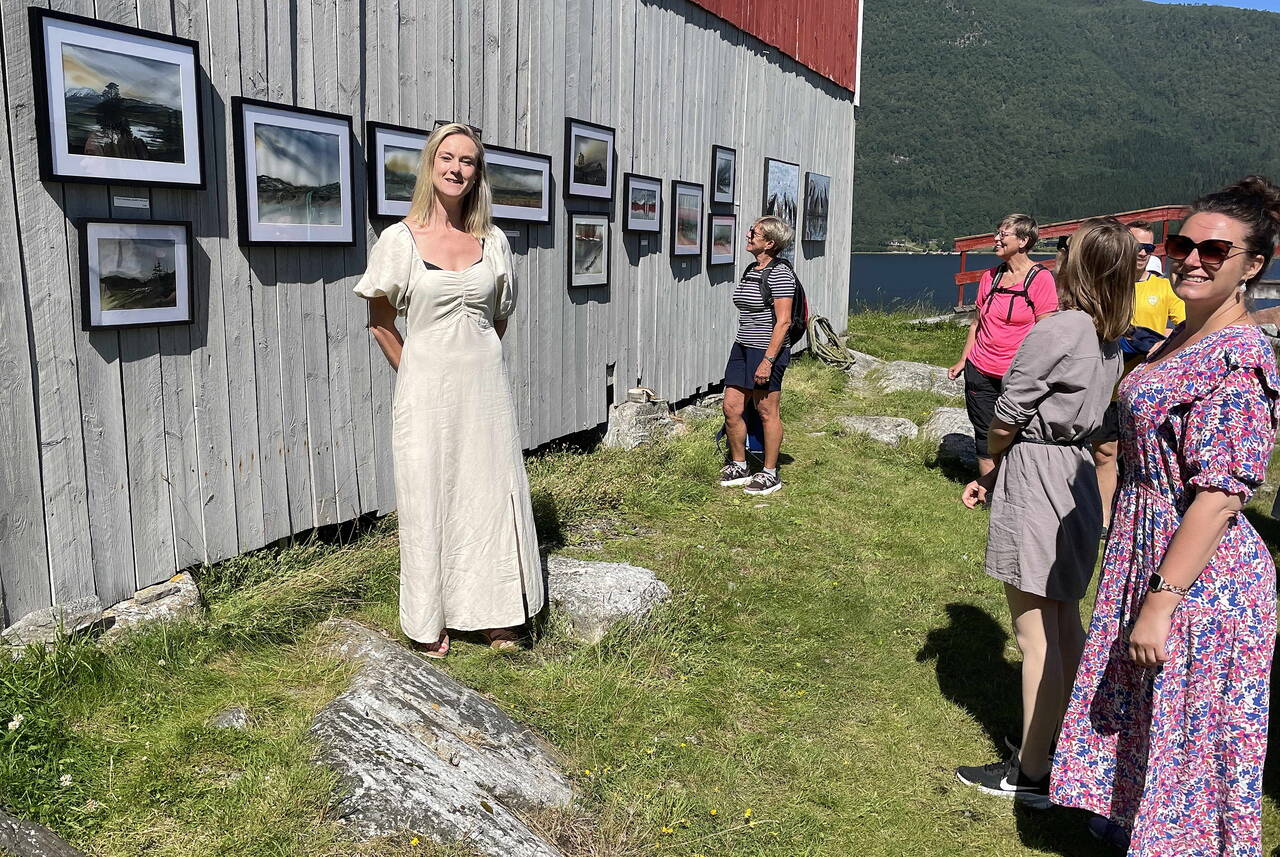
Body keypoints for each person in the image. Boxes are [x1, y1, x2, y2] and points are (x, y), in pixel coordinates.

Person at [1051, 177, 1280, 855]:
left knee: (1193, 739)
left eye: (1217, 249)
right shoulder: (1180, 335)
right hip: (1149, 548)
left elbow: (1219, 495)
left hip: (1203, 580)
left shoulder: (1238, 359)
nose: (1193, 259)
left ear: (1253, 265)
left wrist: (1162, 600)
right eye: (1184, 243)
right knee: (1156, 720)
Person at [954, 218, 1135, 807]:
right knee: (1062, 620)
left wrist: (996, 459)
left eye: (1065, 251)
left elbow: (1007, 411)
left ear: (1077, 266)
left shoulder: (1058, 328)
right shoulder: (1111, 334)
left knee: (1035, 633)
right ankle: (1070, 743)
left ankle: (1030, 772)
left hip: (1037, 468)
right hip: (1077, 473)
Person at [353, 123, 543, 658]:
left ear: (478, 173)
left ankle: (495, 612)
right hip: (424, 393)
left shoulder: (494, 242)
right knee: (428, 494)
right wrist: (417, 371)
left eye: (469, 161)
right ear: (430, 165)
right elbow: (381, 322)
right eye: (448, 158)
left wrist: (470, 356)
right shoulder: (399, 239)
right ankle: (428, 616)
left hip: (485, 391)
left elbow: (497, 318)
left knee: (487, 492)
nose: (457, 168)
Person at [1091, 220, 1187, 532]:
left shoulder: (1162, 287)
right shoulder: (1106, 285)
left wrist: (1160, 342)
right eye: (1136, 247)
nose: (1142, 253)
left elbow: (1185, 327)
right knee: (1104, 453)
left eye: (1148, 248)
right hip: (1108, 388)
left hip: (1146, 392)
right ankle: (1105, 518)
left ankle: (1142, 519)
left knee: (1142, 459)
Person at [948, 215, 1059, 478]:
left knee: (1019, 434)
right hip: (980, 369)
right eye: (997, 233)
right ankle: (989, 494)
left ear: (1023, 241)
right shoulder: (990, 277)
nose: (996, 239)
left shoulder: (1040, 279)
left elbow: (1047, 333)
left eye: (1003, 235)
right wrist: (964, 359)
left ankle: (1017, 491)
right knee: (985, 436)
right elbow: (977, 324)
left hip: (1018, 375)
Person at [719, 216, 795, 496]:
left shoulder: (780, 274)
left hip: (766, 351)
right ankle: (740, 464)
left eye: (754, 233)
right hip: (742, 347)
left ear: (770, 243)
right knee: (731, 407)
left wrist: (768, 360)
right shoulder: (753, 269)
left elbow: (784, 322)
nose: (748, 236)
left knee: (766, 411)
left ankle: (770, 473)